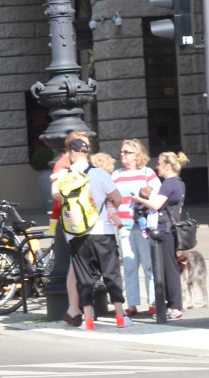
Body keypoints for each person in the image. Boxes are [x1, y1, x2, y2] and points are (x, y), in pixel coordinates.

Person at [54, 138, 125, 330]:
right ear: (87, 153)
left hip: (77, 233)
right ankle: (119, 315)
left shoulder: (65, 175)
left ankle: (89, 319)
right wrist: (108, 202)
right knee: (111, 273)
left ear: (72, 153)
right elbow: (118, 198)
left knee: (84, 276)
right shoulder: (100, 173)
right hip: (103, 229)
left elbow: (56, 195)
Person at [133, 150, 190, 319]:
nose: (156, 167)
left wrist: (138, 199)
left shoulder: (169, 183)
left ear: (167, 166)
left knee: (168, 269)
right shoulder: (179, 182)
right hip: (169, 229)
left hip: (164, 230)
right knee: (168, 267)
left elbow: (156, 205)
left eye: (158, 163)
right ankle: (172, 306)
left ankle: (175, 307)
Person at [110, 139, 160, 317]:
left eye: (127, 152)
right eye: (122, 152)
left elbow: (157, 197)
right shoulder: (116, 175)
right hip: (124, 227)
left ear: (137, 155)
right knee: (130, 266)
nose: (122, 155)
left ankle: (153, 302)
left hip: (144, 227)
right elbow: (110, 199)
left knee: (149, 265)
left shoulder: (148, 173)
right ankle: (132, 304)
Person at [50, 130, 91, 324]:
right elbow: (55, 191)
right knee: (76, 265)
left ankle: (77, 308)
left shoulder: (86, 166)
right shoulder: (65, 165)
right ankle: (75, 308)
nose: (87, 148)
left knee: (80, 264)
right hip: (73, 219)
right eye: (83, 144)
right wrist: (73, 199)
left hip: (85, 219)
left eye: (88, 144)